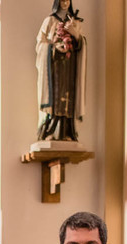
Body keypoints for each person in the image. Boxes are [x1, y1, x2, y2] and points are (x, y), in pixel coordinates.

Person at [35, 0, 86, 141]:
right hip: (54, 67)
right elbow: (40, 44)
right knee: (56, 96)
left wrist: (74, 33)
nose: (65, 3)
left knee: (68, 96)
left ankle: (67, 132)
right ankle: (51, 130)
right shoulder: (49, 21)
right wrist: (53, 46)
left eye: (67, 0)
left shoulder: (75, 21)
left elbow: (82, 43)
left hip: (70, 67)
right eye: (62, 0)